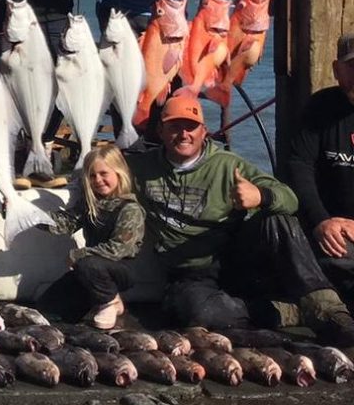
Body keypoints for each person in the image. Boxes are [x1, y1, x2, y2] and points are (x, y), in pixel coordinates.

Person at [129, 93, 354, 345]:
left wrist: (261, 196)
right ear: (160, 131)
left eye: (191, 127)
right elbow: (101, 172)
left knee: (278, 220)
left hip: (234, 259)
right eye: (174, 127)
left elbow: (289, 198)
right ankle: (287, 311)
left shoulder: (228, 164)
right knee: (196, 313)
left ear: (204, 131)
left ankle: (327, 310)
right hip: (190, 273)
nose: (184, 134)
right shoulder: (141, 168)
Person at [38, 144, 145, 330]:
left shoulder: (130, 209)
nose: (98, 180)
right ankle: (101, 298)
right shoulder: (90, 204)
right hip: (89, 270)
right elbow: (64, 224)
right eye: (92, 176)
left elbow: (119, 248)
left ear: (119, 173)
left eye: (104, 174)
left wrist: (78, 254)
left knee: (88, 263)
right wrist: (30, 215)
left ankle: (110, 301)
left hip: (121, 270)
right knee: (48, 309)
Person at [284, 32, 354, 303]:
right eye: (351, 66)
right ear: (337, 70)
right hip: (330, 230)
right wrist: (322, 220)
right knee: (280, 228)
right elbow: (299, 165)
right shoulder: (320, 106)